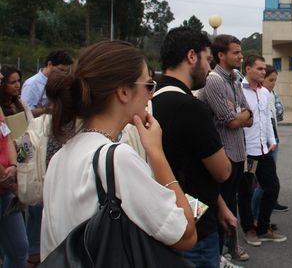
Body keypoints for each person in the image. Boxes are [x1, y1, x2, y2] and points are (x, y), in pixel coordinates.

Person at [41, 40, 197, 260]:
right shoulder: (117, 158)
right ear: (124, 92)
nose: (151, 95)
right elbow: (186, 234)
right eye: (148, 86)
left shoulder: (60, 157)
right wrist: (156, 152)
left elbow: (50, 249)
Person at [153, 27, 234, 268]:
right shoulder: (190, 107)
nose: (210, 69)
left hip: (163, 219)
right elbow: (222, 171)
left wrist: (220, 204)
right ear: (191, 56)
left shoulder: (151, 99)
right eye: (208, 60)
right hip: (195, 229)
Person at [199, 34, 253, 263]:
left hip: (238, 153)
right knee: (220, 208)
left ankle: (232, 247)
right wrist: (241, 115)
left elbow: (249, 115)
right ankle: (219, 254)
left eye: (240, 52)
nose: (241, 56)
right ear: (221, 55)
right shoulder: (214, 81)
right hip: (224, 156)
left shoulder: (234, 79)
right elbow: (230, 121)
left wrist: (241, 115)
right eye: (236, 52)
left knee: (232, 205)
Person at [239, 55, 287, 246]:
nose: (263, 72)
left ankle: (263, 227)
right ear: (248, 69)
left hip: (263, 150)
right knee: (246, 192)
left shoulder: (264, 93)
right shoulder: (239, 91)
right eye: (259, 68)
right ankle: (249, 228)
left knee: (272, 187)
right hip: (246, 153)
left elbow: (267, 118)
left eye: (263, 69)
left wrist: (271, 140)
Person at [251, 65, 288, 226]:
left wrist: (273, 140)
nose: (273, 83)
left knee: (270, 183)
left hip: (272, 142)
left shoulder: (270, 94)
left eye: (275, 80)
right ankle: (254, 218)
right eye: (270, 79)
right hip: (260, 145)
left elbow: (275, 116)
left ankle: (261, 218)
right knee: (261, 184)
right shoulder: (254, 95)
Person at [0, 69, 29, 268]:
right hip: (5, 183)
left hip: (6, 189)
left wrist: (13, 165)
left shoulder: (17, 104)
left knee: (19, 250)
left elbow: (8, 136)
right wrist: (6, 177)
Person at [21, 50, 72, 117]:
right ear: (49, 64)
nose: (63, 74)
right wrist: (46, 109)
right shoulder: (32, 84)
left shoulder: (61, 82)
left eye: (66, 71)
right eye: (61, 70)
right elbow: (26, 112)